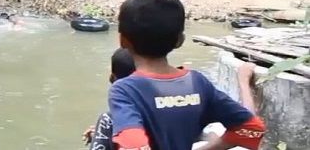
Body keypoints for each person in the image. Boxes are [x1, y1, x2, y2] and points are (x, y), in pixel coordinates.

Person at [109, 0, 265, 150]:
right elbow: (252, 128)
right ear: (180, 40)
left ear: (123, 40)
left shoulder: (125, 90)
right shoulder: (197, 82)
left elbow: (134, 145)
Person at [84, 49, 260, 150]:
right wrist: (244, 83)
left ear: (112, 78)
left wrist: (105, 135)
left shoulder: (110, 120)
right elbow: (248, 124)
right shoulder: (186, 101)